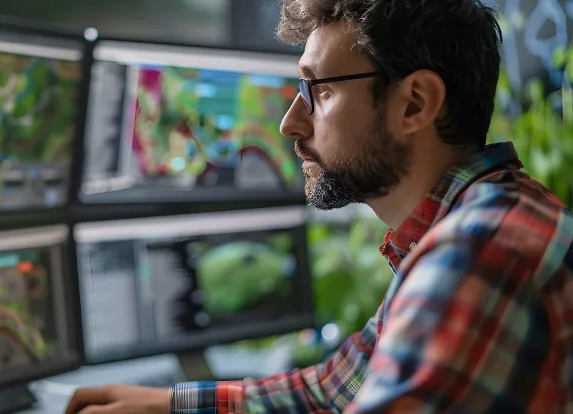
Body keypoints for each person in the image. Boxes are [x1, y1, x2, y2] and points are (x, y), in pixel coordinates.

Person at [66, 0, 573, 412]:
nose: (290, 123)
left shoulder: (477, 255)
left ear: (416, 103)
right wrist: (168, 405)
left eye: (318, 91)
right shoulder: (485, 217)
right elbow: (336, 390)